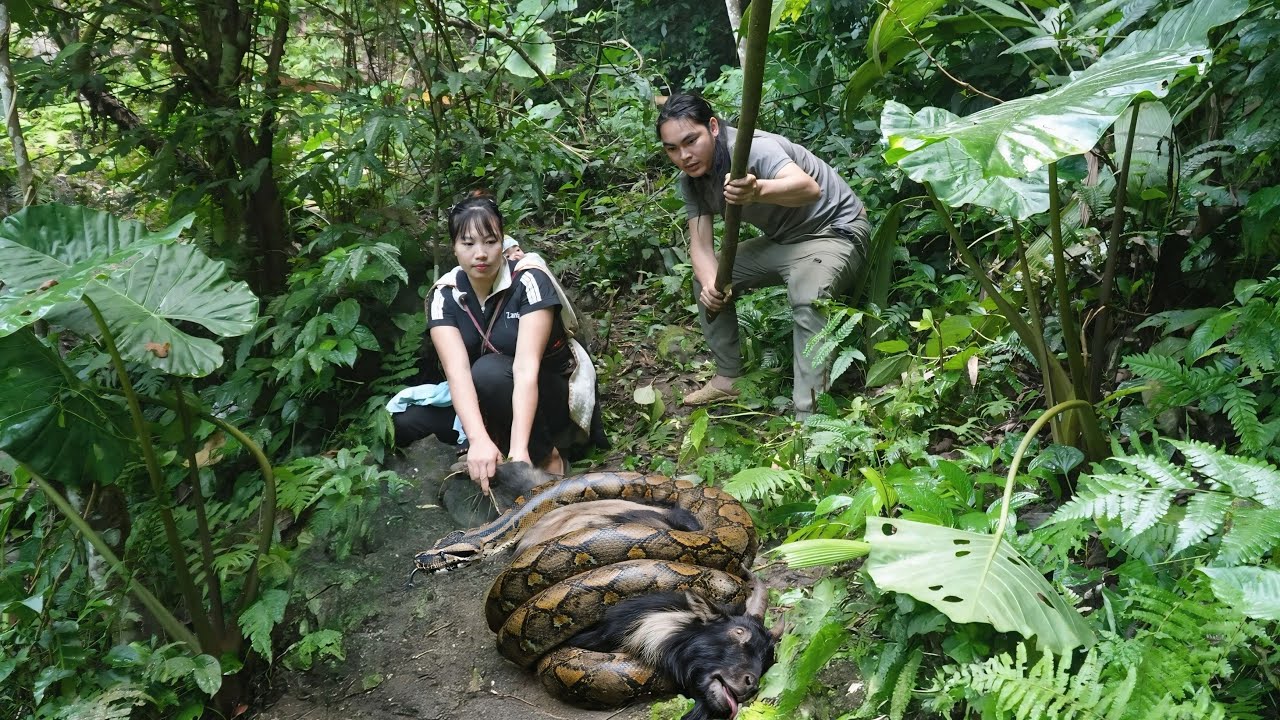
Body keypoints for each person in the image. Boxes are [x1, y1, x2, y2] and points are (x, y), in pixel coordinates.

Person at [657, 93, 871, 419]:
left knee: (807, 296)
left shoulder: (752, 147)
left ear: (713, 127)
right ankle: (728, 377)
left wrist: (758, 190)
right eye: (672, 149)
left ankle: (810, 421)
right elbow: (699, 247)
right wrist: (714, 285)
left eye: (691, 140)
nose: (684, 156)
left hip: (834, 232)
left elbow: (807, 188)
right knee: (707, 279)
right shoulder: (693, 181)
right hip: (784, 241)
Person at [392, 192, 601, 493]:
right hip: (486, 398)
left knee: (488, 371)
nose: (481, 253)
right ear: (454, 247)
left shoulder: (528, 279)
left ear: (503, 241)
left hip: (550, 394)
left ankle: (548, 458)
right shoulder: (444, 295)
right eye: (468, 243)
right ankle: (487, 450)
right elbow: (457, 373)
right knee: (408, 420)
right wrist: (476, 439)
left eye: (490, 242)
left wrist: (520, 454)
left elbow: (526, 369)